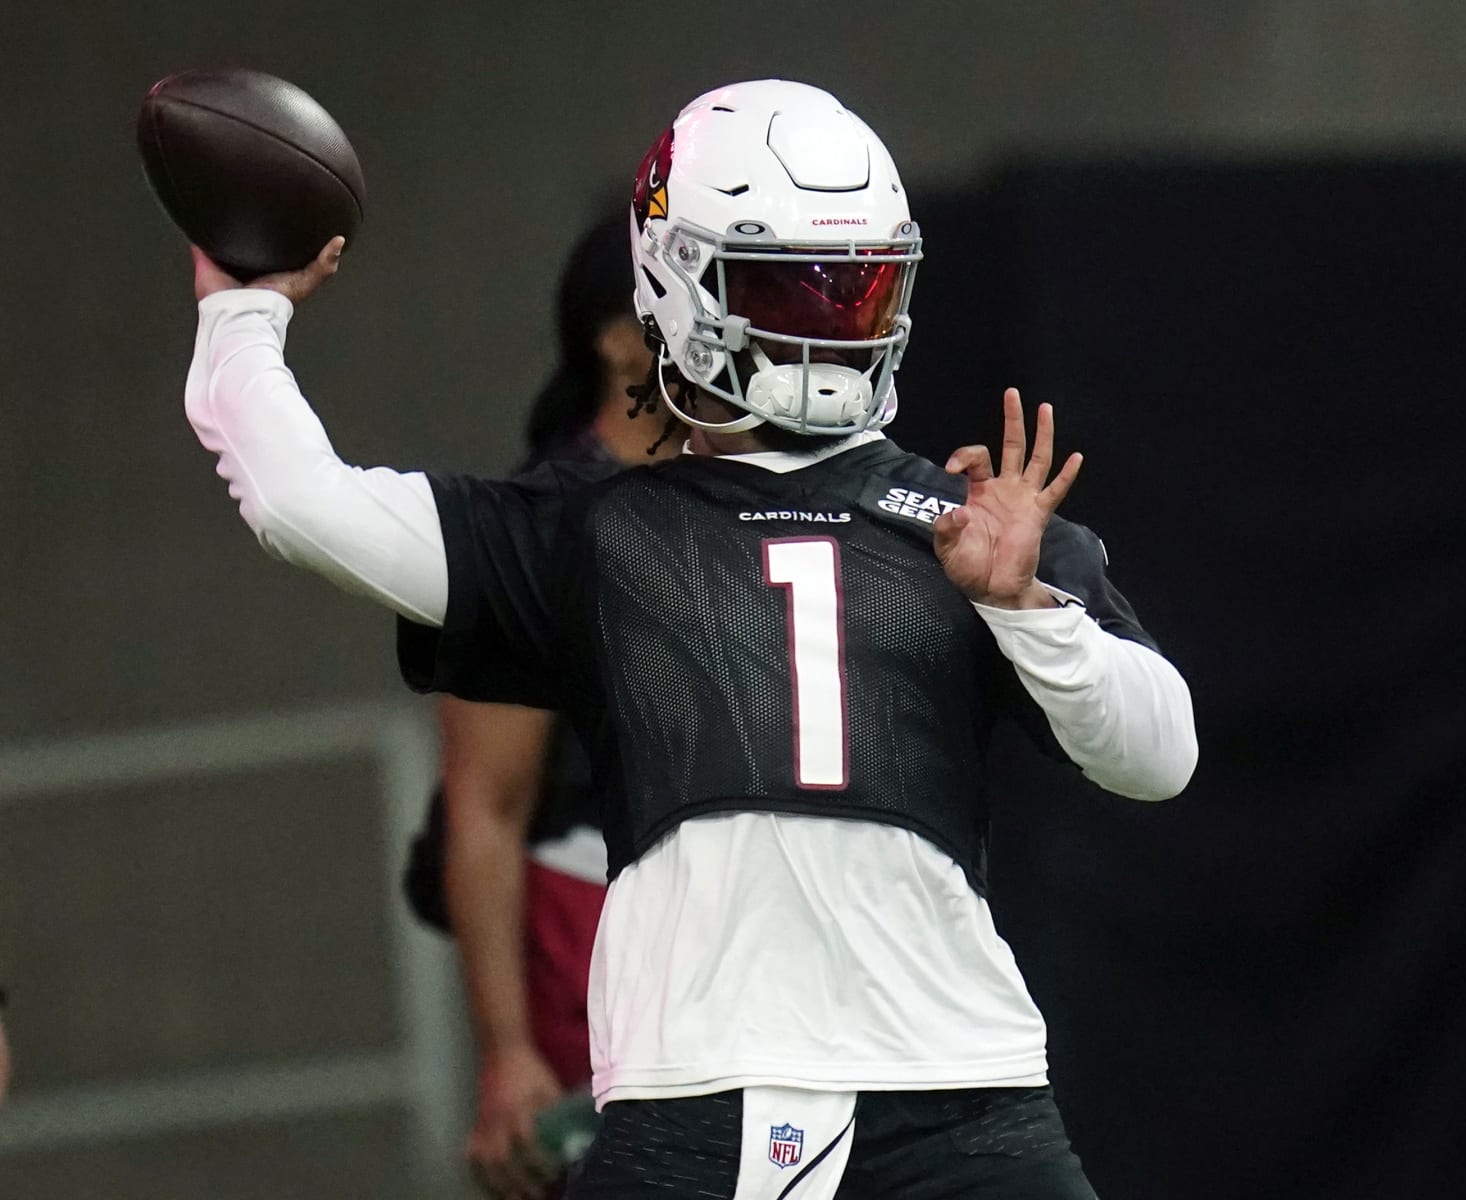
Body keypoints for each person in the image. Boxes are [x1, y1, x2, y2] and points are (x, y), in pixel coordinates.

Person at [180, 80, 1196, 1198]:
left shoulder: (972, 529)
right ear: (672, 281)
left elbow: (1161, 757)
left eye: (850, 287)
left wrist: (1027, 609)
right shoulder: (602, 530)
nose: (819, 325)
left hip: (953, 1090)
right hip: (703, 1102)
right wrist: (243, 308)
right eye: (782, 287)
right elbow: (303, 505)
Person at [416, 216, 673, 1200]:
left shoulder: (743, 502)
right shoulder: (543, 529)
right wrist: (508, 1053)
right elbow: (484, 807)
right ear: (617, 338)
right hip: (596, 935)